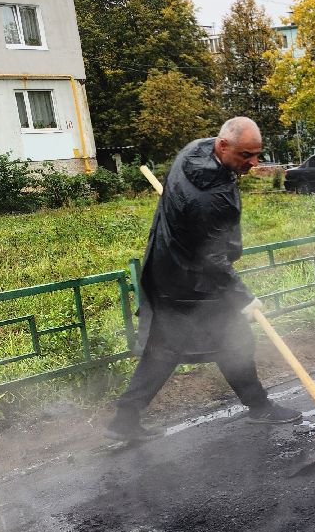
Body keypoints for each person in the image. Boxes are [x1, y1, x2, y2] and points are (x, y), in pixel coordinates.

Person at [106, 117, 302, 440]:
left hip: (166, 267)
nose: (254, 163)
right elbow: (213, 259)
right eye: (246, 156)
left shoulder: (194, 151)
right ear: (223, 146)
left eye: (256, 154)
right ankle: (260, 407)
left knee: (164, 349)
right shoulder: (211, 198)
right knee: (234, 338)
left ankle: (124, 419)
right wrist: (244, 297)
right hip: (193, 282)